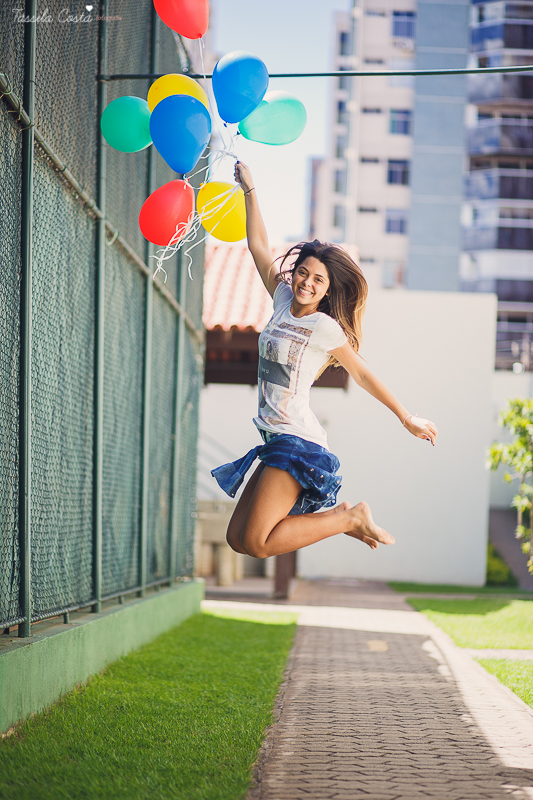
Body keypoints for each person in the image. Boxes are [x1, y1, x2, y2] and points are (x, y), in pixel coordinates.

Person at [211, 161, 438, 560]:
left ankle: (350, 518)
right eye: (303, 273)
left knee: (259, 543)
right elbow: (259, 247)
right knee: (238, 539)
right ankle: (343, 518)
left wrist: (406, 417)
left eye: (318, 280)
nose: (307, 283)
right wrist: (250, 190)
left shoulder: (323, 327)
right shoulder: (282, 300)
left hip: (297, 441)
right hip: (275, 438)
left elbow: (362, 374)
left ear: (328, 290)